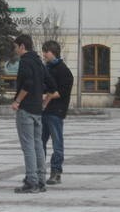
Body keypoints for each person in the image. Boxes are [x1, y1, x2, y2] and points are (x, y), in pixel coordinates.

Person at [11, 34, 56, 194]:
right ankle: (41, 180)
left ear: (22, 46)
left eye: (16, 47)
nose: (15, 50)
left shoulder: (25, 61)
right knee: (37, 145)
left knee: (28, 146)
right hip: (37, 111)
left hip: (26, 110)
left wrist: (17, 101)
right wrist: (43, 103)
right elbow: (52, 86)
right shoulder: (38, 62)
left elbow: (28, 83)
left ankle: (31, 181)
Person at [41, 40, 74, 186]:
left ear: (53, 52)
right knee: (39, 142)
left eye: (45, 52)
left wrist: (44, 96)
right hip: (43, 110)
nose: (43, 55)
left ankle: (56, 172)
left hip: (56, 111)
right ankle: (39, 171)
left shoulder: (64, 71)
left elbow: (61, 93)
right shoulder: (46, 68)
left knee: (57, 143)